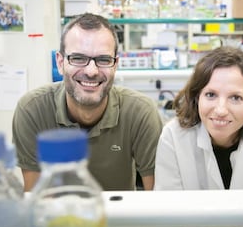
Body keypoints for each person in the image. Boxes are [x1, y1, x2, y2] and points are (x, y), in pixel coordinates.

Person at [12, 13, 163, 191]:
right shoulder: (32, 111)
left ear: (115, 65)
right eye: (78, 58)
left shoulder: (140, 113)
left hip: (122, 217)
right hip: (57, 216)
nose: (91, 71)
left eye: (104, 60)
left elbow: (157, 199)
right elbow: (35, 200)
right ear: (60, 62)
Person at [154, 46, 243, 190]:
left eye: (235, 97)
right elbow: (168, 208)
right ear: (198, 97)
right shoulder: (173, 137)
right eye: (211, 95)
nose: (221, 110)